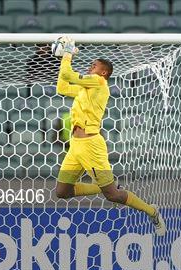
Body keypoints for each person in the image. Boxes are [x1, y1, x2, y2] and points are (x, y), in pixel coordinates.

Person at [53, 37, 166, 236]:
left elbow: (67, 73)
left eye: (94, 65)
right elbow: (61, 87)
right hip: (75, 145)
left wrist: (68, 53)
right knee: (62, 192)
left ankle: (152, 211)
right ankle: (102, 186)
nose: (90, 67)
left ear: (103, 72)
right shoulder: (85, 89)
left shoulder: (98, 82)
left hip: (91, 145)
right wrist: (64, 56)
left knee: (112, 195)